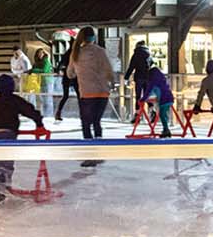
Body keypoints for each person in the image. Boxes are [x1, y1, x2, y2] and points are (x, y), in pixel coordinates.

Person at [0, 73, 45, 202]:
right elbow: (29, 110)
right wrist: (39, 124)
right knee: (7, 159)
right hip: (9, 131)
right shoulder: (14, 100)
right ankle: (1, 185)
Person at [70, 26, 116, 166]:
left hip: (86, 92)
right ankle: (98, 152)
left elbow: (69, 73)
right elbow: (109, 69)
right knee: (96, 121)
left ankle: (90, 154)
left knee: (86, 123)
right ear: (93, 37)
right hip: (102, 92)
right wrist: (112, 82)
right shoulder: (100, 52)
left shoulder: (76, 53)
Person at [141, 65, 175, 137]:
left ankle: (166, 130)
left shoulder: (152, 82)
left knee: (162, 115)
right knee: (164, 114)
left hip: (163, 100)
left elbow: (148, 92)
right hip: (169, 98)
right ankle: (166, 129)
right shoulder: (163, 80)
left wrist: (143, 99)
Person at [123, 39, 151, 115]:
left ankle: (138, 113)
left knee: (138, 96)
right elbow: (152, 65)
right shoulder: (148, 53)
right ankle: (151, 110)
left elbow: (131, 66)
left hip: (139, 77)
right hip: (148, 77)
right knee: (147, 95)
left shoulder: (136, 54)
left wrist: (126, 77)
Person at [53, 47, 77, 122]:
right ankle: (85, 114)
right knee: (79, 96)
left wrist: (59, 70)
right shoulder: (76, 53)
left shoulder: (67, 54)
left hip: (68, 77)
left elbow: (60, 64)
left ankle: (58, 112)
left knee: (65, 96)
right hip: (74, 77)